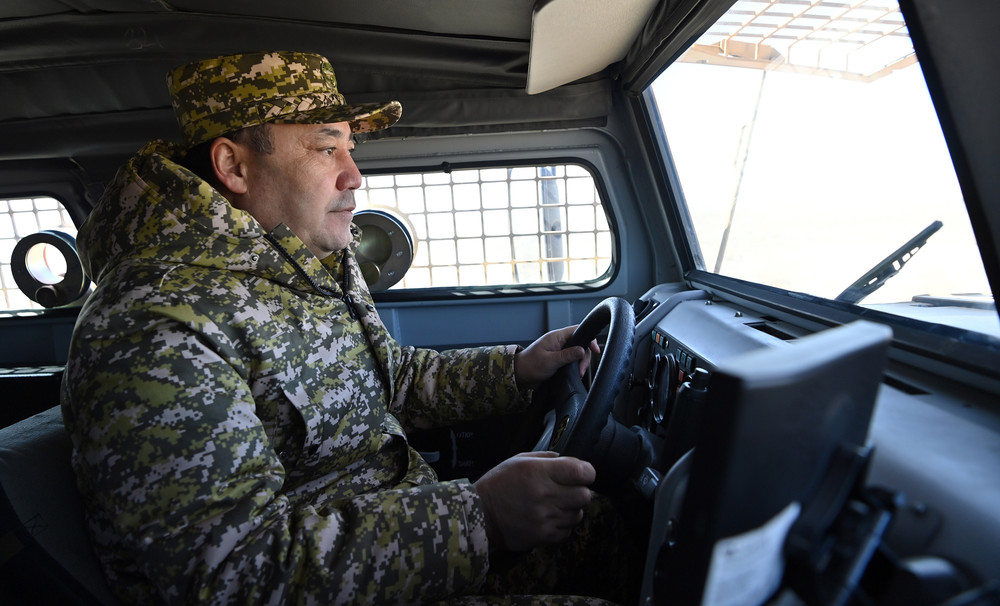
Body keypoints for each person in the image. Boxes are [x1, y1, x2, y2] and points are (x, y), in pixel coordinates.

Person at [61, 51, 634, 605]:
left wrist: (516, 368)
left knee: (605, 527)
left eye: (350, 148)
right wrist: (479, 519)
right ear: (233, 166)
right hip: (347, 577)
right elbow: (231, 573)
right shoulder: (156, 322)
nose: (355, 175)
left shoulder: (304, 258)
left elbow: (389, 380)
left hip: (399, 540)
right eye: (325, 148)